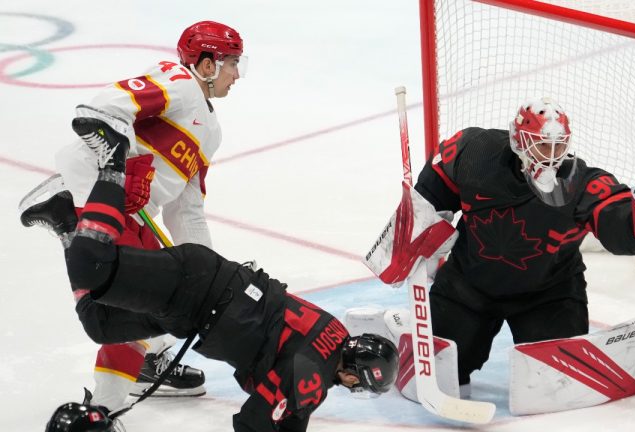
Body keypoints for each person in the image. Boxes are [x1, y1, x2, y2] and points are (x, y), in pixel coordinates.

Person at [35, 108, 399, 432]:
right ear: (354, 375)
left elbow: (291, 408)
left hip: (196, 306)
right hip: (196, 289)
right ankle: (112, 163)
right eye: (357, 385)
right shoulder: (313, 376)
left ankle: (66, 219)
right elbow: (252, 422)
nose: (351, 386)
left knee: (103, 326)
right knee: (91, 267)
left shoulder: (332, 339)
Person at [366, 97, 635, 398]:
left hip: (548, 295)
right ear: (519, 140)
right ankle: (406, 330)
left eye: (558, 146)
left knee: (557, 385)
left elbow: (614, 218)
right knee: (443, 375)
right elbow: (433, 190)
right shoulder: (474, 152)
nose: (550, 156)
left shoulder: (580, 181)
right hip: (469, 287)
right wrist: (412, 232)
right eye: (540, 144)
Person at [19, 20, 246, 410]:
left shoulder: (211, 130)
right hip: (103, 193)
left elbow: (186, 207)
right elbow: (101, 108)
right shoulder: (178, 81)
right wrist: (122, 164)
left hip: (137, 214)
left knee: (164, 297)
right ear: (207, 65)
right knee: (135, 303)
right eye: (232, 64)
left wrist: (208, 271)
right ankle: (102, 410)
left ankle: (147, 360)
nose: (237, 75)